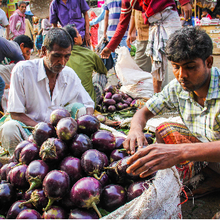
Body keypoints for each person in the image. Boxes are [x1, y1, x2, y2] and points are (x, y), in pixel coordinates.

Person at [123, 26, 220, 198]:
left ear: (209, 62)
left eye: (190, 67)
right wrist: (135, 129)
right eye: (176, 67)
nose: (181, 75)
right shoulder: (179, 87)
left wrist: (180, 152)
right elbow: (144, 112)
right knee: (165, 129)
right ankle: (212, 178)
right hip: (207, 152)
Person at [0, 27, 94, 155]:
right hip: (31, 131)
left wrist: (87, 123)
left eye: (67, 56)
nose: (62, 62)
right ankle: (21, 159)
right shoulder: (22, 70)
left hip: (61, 135)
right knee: (9, 129)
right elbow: (16, 113)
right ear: (44, 50)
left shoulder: (69, 74)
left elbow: (88, 104)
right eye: (57, 56)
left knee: (81, 109)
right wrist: (44, 129)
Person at [100, 0, 192, 93]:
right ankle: (157, 98)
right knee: (157, 63)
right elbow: (122, 24)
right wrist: (110, 47)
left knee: (180, 55)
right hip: (154, 23)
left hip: (168, 15)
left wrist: (184, 2)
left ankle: (189, 91)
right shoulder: (126, 2)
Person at [64, 24, 107, 105]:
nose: (81, 35)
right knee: (101, 75)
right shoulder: (89, 54)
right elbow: (103, 71)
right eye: (78, 34)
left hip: (65, 105)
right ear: (75, 40)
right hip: (88, 104)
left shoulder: (59, 57)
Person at [103, 0, 130, 65]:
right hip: (111, 33)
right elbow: (106, 16)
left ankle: (124, 74)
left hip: (124, 33)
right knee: (115, 60)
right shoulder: (107, 1)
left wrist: (131, 32)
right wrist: (104, 32)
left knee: (125, 59)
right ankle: (117, 74)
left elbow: (132, 14)